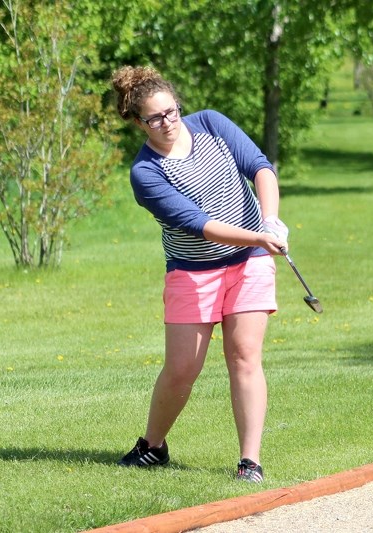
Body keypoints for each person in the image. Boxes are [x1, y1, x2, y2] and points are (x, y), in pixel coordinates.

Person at [111, 65, 288, 483]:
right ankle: (153, 446)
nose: (167, 123)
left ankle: (250, 461)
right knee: (181, 370)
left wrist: (272, 220)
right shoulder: (145, 173)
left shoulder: (210, 123)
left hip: (247, 264)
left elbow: (260, 167)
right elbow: (199, 224)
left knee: (244, 356)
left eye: (171, 112)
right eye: (154, 118)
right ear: (139, 123)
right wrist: (259, 237)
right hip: (194, 272)